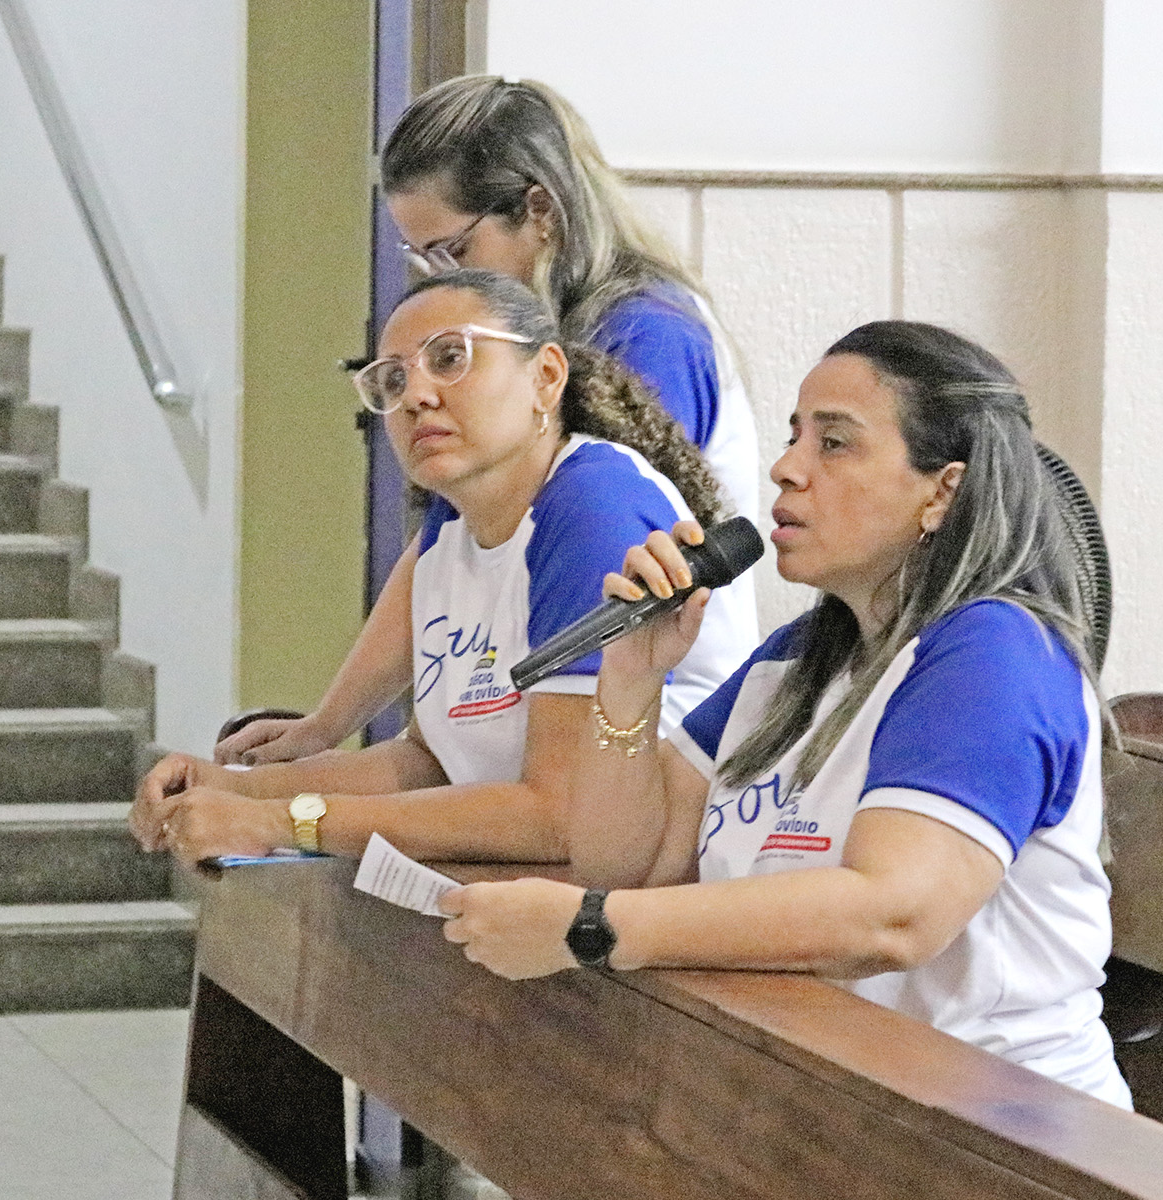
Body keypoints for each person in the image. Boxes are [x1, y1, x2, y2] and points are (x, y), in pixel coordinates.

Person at [435, 320, 1133, 1107]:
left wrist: (594, 928)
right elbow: (629, 863)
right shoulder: (796, 659)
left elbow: (892, 914)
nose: (786, 468)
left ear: (942, 490)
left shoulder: (997, 653)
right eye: (795, 436)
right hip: (823, 1095)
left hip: (1001, 1125)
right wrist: (630, 679)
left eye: (833, 443)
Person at [217, 74, 759, 766]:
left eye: (452, 251)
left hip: (663, 738)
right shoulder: (502, 386)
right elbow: (437, 550)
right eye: (421, 259)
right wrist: (325, 727)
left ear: (540, 211)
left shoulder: (648, 337)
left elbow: (603, 560)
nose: (437, 280)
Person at [130, 269, 749, 865]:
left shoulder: (593, 505)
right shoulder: (451, 525)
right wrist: (230, 786)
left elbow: (558, 816)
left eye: (451, 358)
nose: (416, 397)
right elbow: (430, 765)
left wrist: (281, 820)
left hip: (673, 884)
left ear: (546, 377)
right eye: (393, 380)